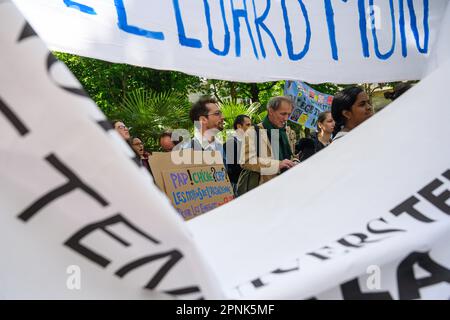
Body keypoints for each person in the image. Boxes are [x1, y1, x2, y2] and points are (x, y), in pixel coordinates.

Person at [240, 96, 298, 193]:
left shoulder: (288, 132)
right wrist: (277, 165)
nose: (286, 118)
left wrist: (295, 162)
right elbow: (246, 161)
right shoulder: (253, 131)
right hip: (263, 191)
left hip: (287, 187)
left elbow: (293, 155)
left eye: (288, 114)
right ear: (271, 111)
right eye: (283, 114)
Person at [224, 115, 252, 193]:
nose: (251, 128)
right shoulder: (230, 143)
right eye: (248, 125)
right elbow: (233, 169)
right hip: (238, 186)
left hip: (248, 184)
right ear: (239, 126)